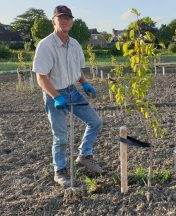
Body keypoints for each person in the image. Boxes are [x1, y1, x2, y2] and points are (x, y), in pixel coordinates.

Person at [32, 5, 103, 187]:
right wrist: (56, 96)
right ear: (54, 21)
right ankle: (60, 170)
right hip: (54, 93)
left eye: (68, 18)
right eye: (61, 18)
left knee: (95, 122)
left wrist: (84, 83)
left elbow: (75, 69)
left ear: (72, 21)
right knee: (61, 136)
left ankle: (84, 155)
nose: (65, 21)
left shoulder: (75, 44)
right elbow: (41, 77)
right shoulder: (46, 45)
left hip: (73, 90)